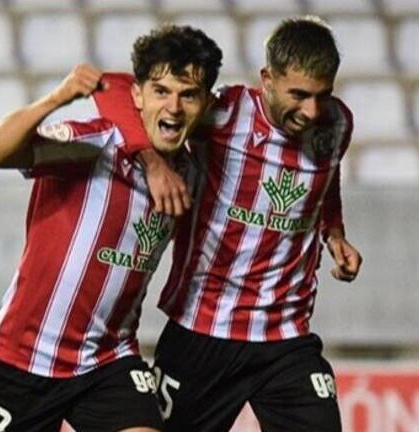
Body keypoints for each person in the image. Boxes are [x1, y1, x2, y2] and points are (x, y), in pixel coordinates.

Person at [94, 16, 362, 431]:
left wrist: (334, 231)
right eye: (299, 94)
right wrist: (151, 162)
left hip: (286, 338)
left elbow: (326, 176)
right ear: (267, 79)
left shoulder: (337, 124)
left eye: (321, 95)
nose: (311, 111)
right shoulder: (223, 114)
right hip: (203, 329)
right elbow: (112, 88)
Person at [0, 24, 222, 432]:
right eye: (161, 91)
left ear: (204, 103)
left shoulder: (190, 175)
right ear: (137, 95)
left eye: (188, 95)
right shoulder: (92, 146)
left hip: (108, 359)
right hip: (25, 359)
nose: (173, 107)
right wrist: (58, 98)